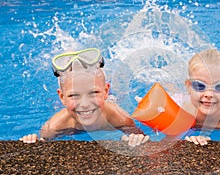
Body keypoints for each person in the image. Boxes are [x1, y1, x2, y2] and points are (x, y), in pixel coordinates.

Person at [20, 48, 149, 147]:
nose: (85, 103)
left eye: (93, 93)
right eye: (74, 95)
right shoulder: (55, 126)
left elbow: (141, 137)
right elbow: (41, 146)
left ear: (105, 91)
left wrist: (135, 139)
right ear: (62, 97)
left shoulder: (118, 117)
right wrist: (32, 141)